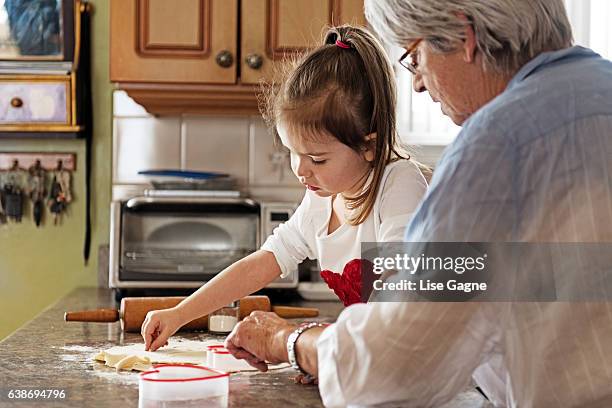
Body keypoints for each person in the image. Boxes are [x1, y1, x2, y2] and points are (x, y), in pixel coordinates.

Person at [224, 1, 612, 407]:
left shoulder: (496, 148)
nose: (418, 84)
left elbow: (399, 359)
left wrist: (287, 339)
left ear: (465, 37)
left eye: (416, 56)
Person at [141, 25, 428, 352]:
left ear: (369, 147)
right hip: (368, 357)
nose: (300, 170)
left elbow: (398, 296)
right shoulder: (322, 198)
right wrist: (180, 314)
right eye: (293, 153)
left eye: (317, 159)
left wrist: (307, 346)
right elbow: (264, 262)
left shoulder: (398, 185)